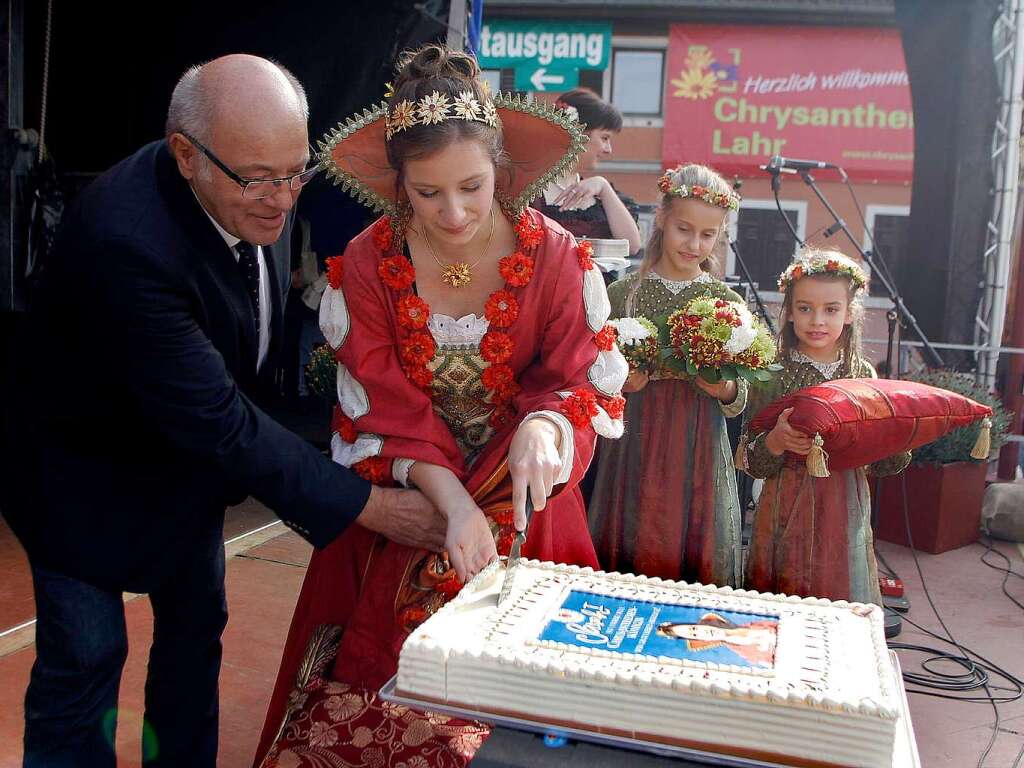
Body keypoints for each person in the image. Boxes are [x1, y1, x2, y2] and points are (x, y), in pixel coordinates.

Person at [0, 55, 446, 768]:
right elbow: (221, 420)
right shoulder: (127, 243)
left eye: (297, 171)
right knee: (87, 657)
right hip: (78, 473)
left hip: (184, 474)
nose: (282, 199)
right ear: (186, 156)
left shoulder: (250, 190)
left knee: (195, 635)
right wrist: (375, 508)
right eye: (259, 179)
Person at [254, 44, 627, 767]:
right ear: (398, 184)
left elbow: (576, 373)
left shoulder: (553, 255)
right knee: (373, 709)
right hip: (406, 499)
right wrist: (449, 503)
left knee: (523, 718)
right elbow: (381, 402)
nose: (452, 213)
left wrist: (547, 425)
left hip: (525, 509)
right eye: (427, 194)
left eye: (472, 187)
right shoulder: (365, 262)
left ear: (503, 170)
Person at [588, 164, 746, 587]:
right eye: (684, 228)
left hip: (697, 443)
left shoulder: (723, 302)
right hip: (634, 441)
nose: (694, 244)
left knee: (689, 541)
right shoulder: (624, 294)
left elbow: (742, 388)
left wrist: (725, 387)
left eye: (708, 235)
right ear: (660, 219)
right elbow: (593, 373)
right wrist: (619, 382)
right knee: (634, 531)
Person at [737, 248, 911, 604]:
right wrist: (776, 441)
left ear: (849, 314)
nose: (817, 320)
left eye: (831, 309)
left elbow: (885, 463)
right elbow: (748, 459)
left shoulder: (862, 375)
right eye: (805, 308)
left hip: (844, 506)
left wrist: (895, 436)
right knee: (784, 596)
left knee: (839, 588)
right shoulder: (771, 373)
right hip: (784, 505)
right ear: (789, 312)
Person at [532, 88, 641, 256]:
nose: (608, 150)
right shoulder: (530, 193)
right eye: (604, 138)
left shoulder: (600, 194)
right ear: (578, 134)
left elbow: (632, 246)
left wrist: (604, 187)